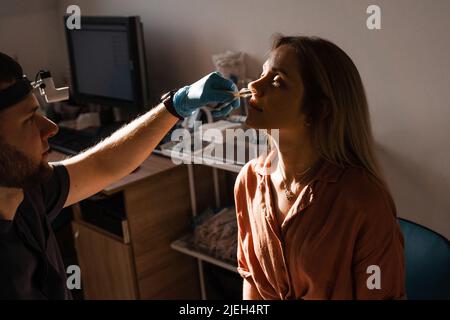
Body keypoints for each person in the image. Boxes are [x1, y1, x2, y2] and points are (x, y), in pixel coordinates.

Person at [0, 51, 239, 299]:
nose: (51, 127)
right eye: (29, 119)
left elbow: (103, 164)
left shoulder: (26, 193)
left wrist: (176, 105)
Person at [234, 36, 405, 299]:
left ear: (318, 110)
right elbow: (252, 280)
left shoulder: (364, 200)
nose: (254, 85)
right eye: (262, 74)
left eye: (277, 81)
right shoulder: (249, 181)